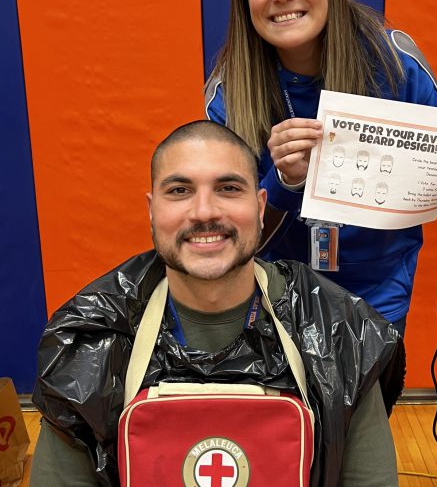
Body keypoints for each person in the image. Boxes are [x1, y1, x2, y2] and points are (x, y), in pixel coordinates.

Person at [30, 120, 403, 486]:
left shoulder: (333, 328)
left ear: (260, 208)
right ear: (151, 210)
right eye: (179, 191)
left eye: (227, 188)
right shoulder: (95, 336)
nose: (204, 211)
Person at [205, 0, 437, 340]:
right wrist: (285, 181)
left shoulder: (394, 60)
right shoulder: (231, 91)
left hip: (379, 293)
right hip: (278, 292)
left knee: (371, 397)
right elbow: (235, 236)